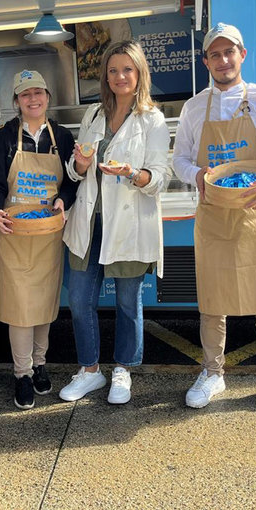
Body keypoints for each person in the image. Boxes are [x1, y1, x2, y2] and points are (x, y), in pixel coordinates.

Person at [172, 22, 256, 420]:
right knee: (213, 302)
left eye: (229, 52)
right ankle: (213, 373)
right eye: (214, 53)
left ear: (242, 55)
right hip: (214, 215)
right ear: (206, 61)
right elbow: (179, 158)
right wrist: (197, 175)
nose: (223, 59)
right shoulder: (195, 107)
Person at [60, 41, 170, 405]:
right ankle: (90, 371)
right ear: (105, 76)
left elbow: (160, 176)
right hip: (88, 221)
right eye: (113, 70)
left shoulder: (152, 118)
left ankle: (122, 369)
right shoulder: (92, 115)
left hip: (129, 223)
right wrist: (77, 165)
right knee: (79, 299)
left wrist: (131, 173)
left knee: (127, 300)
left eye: (127, 69)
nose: (119, 77)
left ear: (139, 74)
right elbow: (77, 173)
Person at [0, 69, 78, 410]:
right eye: (26, 95)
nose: (33, 99)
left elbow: (71, 181)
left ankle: (40, 364)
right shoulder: (4, 138)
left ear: (48, 98)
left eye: (38, 92)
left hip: (48, 234)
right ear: (17, 101)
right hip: (13, 233)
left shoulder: (62, 137)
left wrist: (62, 200)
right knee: (20, 309)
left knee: (43, 306)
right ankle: (21, 373)